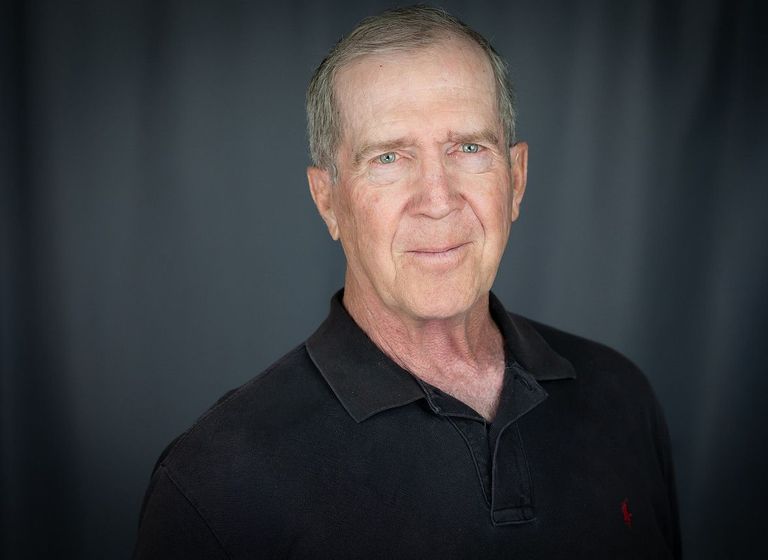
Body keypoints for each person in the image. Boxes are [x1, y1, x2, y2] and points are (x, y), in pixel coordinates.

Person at [133, 5, 681, 558]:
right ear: (328, 200)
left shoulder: (620, 398)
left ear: (516, 180)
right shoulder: (217, 482)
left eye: (469, 148)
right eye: (389, 157)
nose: (438, 201)